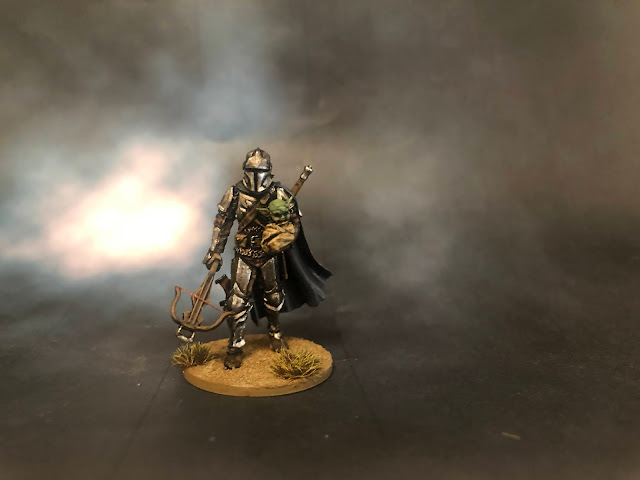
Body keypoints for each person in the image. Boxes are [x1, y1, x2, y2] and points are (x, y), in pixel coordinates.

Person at [202, 148, 331, 369]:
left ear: (269, 171)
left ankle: (275, 331)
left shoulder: (279, 194)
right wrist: (215, 250)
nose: (255, 175)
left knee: (273, 296)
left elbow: (294, 222)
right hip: (244, 254)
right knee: (236, 302)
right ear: (245, 170)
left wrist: (283, 235)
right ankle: (235, 346)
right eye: (251, 170)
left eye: (259, 171)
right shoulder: (234, 193)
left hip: (269, 254)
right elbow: (222, 222)